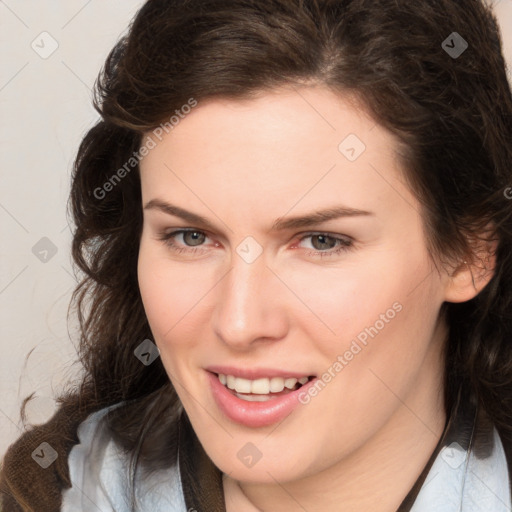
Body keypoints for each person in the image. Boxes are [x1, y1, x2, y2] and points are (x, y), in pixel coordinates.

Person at [2, 0, 512, 510]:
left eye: (320, 241)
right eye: (190, 236)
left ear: (470, 252)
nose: (239, 323)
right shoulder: (51, 491)